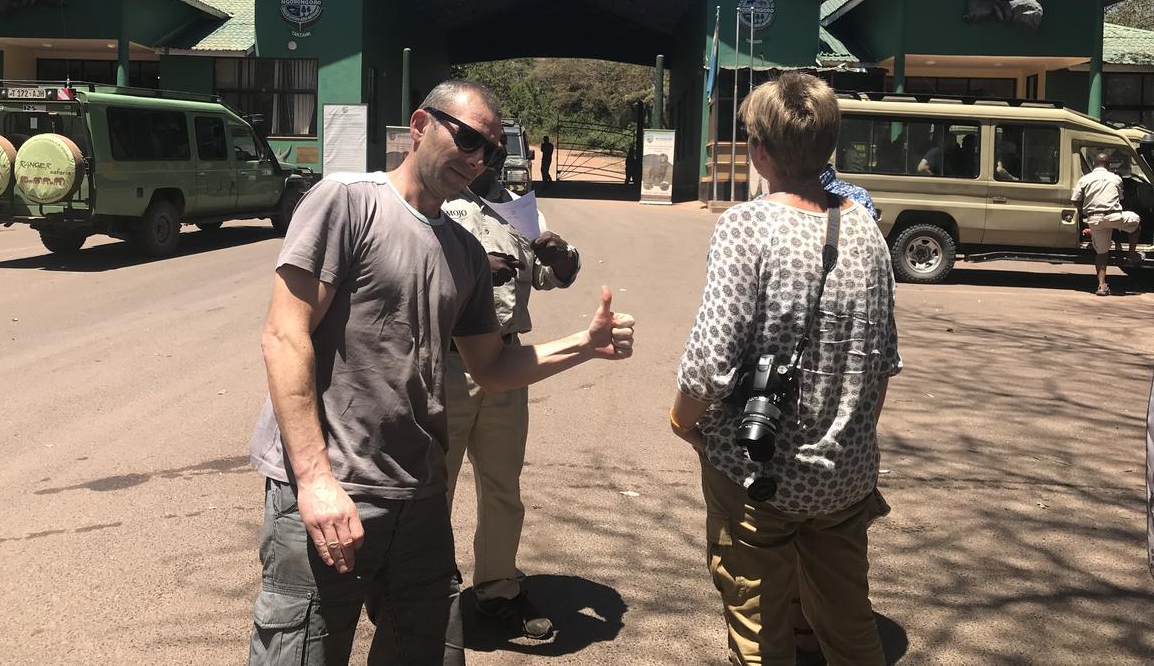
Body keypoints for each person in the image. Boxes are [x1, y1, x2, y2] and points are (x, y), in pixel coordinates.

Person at [246, 79, 635, 666]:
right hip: (337, 487)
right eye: (470, 139)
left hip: (420, 495)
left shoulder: (464, 252)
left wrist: (585, 344)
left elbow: (494, 367)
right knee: (304, 652)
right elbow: (284, 335)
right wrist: (314, 480)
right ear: (421, 126)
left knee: (426, 650)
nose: (479, 160)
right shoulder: (347, 202)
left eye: (493, 152)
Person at [670, 73, 900, 666]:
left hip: (759, 472)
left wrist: (682, 420)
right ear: (830, 146)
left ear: (760, 150)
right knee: (849, 623)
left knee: (757, 620)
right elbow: (884, 360)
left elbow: (711, 364)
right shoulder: (866, 229)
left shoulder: (747, 226)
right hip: (845, 472)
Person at [442, 167, 580, 639]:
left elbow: (555, 275)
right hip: (446, 363)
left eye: (497, 145)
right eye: (480, 143)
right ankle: (426, 590)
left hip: (506, 359)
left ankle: (498, 588)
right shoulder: (436, 204)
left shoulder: (519, 210)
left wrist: (559, 255)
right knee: (432, 485)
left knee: (503, 484)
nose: (488, 156)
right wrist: (478, 266)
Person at [1071, 151, 1141, 296]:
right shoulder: (1115, 178)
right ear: (1109, 165)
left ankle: (1102, 286)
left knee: (1102, 253)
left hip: (1094, 220)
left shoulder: (1085, 179)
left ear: (1094, 164)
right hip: (1114, 217)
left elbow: (1075, 199)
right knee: (1136, 223)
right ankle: (1131, 255)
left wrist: (1084, 208)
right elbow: (1121, 198)